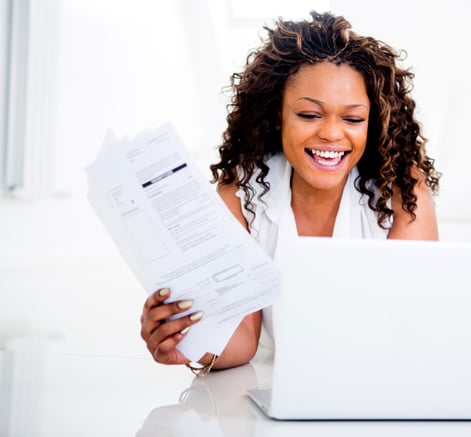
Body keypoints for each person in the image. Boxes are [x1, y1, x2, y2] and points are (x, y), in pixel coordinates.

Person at [140, 10, 441, 373]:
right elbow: (242, 338)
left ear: (372, 123)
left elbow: (410, 331)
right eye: (310, 115)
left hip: (375, 381)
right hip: (276, 390)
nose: (331, 133)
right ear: (277, 116)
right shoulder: (242, 197)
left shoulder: (402, 192)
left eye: (353, 118)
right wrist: (192, 342)